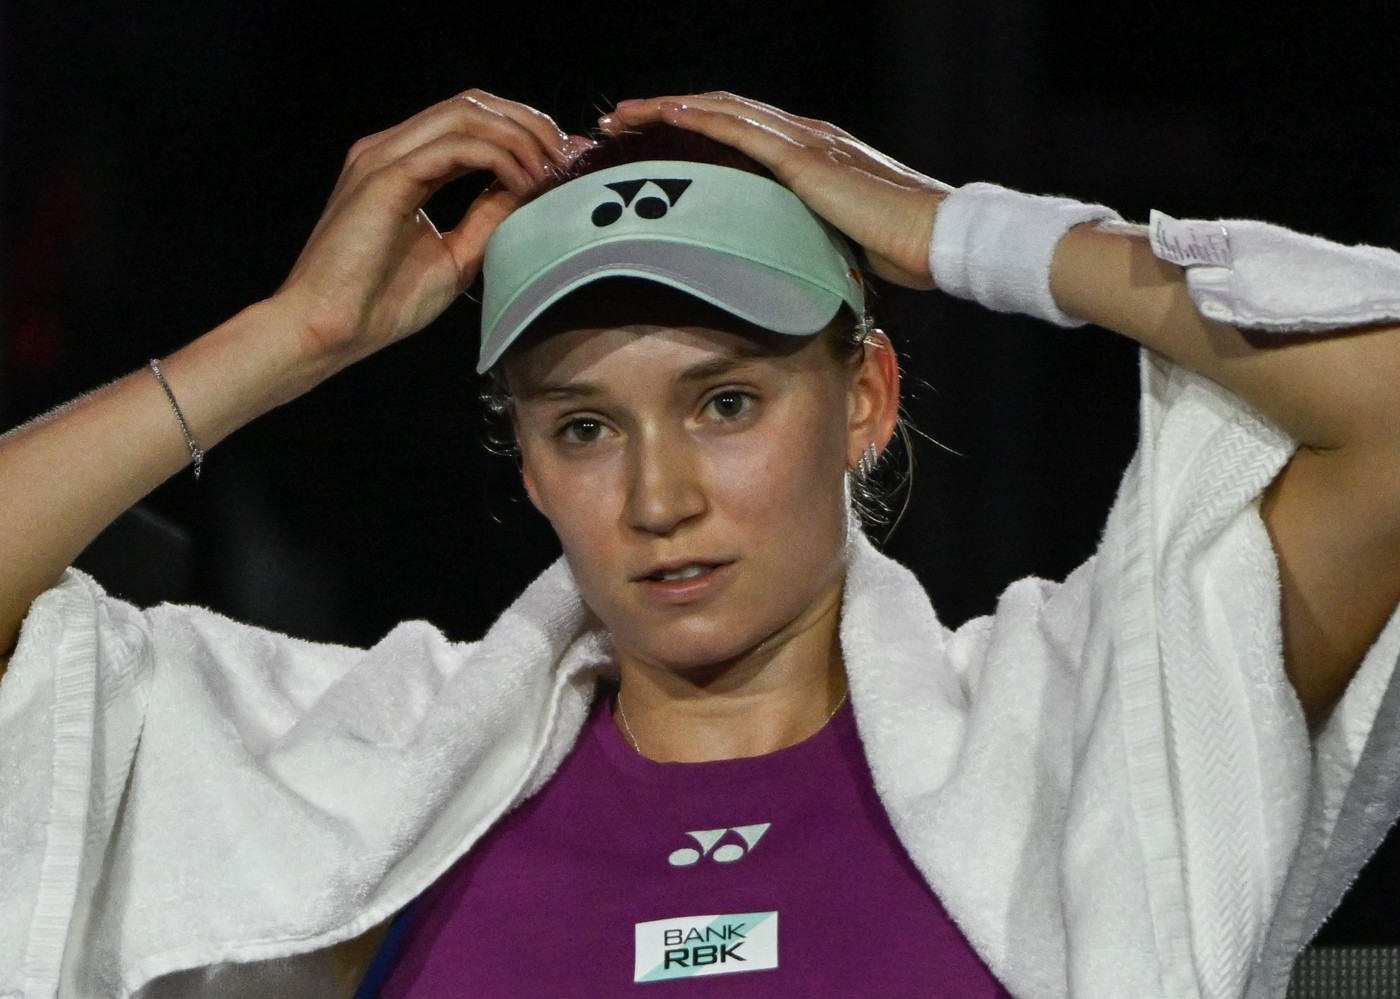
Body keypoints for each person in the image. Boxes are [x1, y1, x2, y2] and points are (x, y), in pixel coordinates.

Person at [1, 89, 1398, 998]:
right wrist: (287, 340)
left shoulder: (1081, 734)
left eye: (725, 403)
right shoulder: (369, 796)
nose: (658, 496)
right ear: (531, 466)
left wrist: (957, 232)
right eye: (586, 429)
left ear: (865, 398)